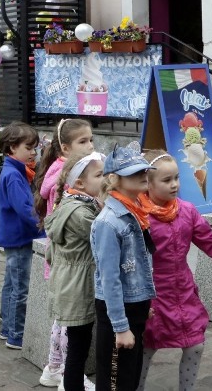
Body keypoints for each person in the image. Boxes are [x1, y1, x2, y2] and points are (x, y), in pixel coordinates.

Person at [137, 150, 212, 391]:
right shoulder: (137, 216)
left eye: (176, 178)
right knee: (147, 347)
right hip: (153, 296)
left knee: (195, 344)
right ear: (147, 182)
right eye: (166, 180)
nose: (174, 185)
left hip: (183, 292)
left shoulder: (187, 210)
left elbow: (211, 242)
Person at [35, 119, 95, 387]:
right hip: (68, 260)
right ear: (65, 147)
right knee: (69, 321)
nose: (90, 145)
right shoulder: (70, 174)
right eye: (83, 141)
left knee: (62, 320)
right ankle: (67, 374)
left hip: (62, 257)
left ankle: (54, 366)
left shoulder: (62, 170)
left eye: (91, 139)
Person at [92, 146, 157, 391]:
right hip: (118, 311)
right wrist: (120, 327)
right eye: (133, 173)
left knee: (130, 377)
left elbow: (140, 266)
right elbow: (110, 279)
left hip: (134, 305)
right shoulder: (109, 222)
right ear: (113, 179)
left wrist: (144, 304)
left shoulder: (136, 212)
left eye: (144, 170)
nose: (143, 175)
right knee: (114, 381)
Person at [43, 152, 105, 391]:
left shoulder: (69, 205)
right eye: (100, 175)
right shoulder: (81, 213)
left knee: (78, 344)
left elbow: (51, 253)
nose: (106, 178)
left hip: (69, 284)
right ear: (80, 183)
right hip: (78, 288)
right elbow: (104, 234)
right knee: (78, 349)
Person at [0, 121, 44, 350]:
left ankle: (7, 324)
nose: (33, 152)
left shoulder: (15, 170)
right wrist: (43, 226)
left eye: (34, 147)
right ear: (12, 148)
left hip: (15, 236)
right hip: (19, 237)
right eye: (29, 147)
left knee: (11, 284)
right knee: (20, 288)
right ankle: (16, 334)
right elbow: (24, 209)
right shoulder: (13, 175)